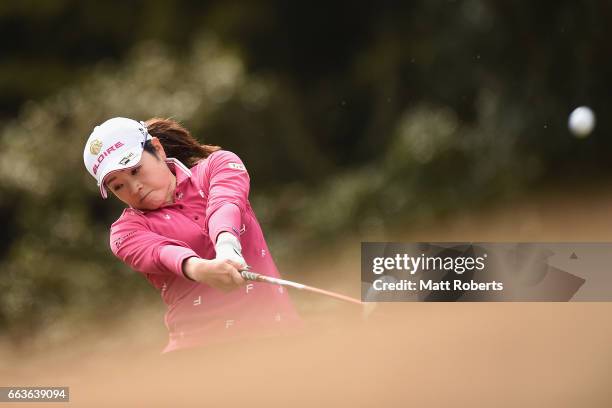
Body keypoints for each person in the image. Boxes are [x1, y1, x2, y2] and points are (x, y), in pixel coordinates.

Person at [83, 117, 301, 353]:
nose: (134, 187)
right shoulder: (125, 231)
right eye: (117, 186)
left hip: (280, 335)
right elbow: (162, 254)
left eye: (136, 170)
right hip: (198, 355)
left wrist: (226, 247)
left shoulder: (218, 165)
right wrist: (200, 269)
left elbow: (225, 203)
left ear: (157, 148)